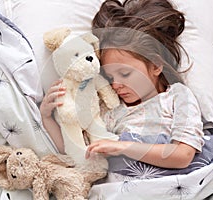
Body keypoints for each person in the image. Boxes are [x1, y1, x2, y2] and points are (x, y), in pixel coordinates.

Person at [40, 0, 204, 178]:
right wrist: (46, 117)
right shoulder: (110, 109)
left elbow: (183, 155)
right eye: (109, 77)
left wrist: (123, 147)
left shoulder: (177, 97)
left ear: (156, 65)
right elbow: (77, 151)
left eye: (125, 73)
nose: (116, 85)